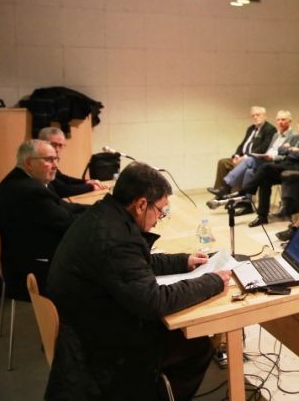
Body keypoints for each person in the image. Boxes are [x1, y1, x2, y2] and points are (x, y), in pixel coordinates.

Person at [45, 162, 231, 400]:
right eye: (161, 211)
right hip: (99, 346)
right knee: (195, 346)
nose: (160, 219)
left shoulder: (105, 215)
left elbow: (136, 263)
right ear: (142, 204)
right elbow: (155, 302)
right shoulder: (115, 239)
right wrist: (212, 282)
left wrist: (183, 261)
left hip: (84, 324)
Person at [0, 140, 85, 298]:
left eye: (56, 159)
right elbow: (67, 223)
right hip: (29, 269)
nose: (55, 165)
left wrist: (98, 208)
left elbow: (64, 207)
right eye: (49, 160)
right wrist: (101, 217)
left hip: (27, 256)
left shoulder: (32, 182)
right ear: (29, 162)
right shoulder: (28, 191)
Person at [210, 110, 296, 214]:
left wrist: (273, 158)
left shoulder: (294, 136)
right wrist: (239, 155)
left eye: (283, 119)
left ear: (290, 121)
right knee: (249, 171)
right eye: (278, 119)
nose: (280, 122)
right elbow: (264, 149)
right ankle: (246, 204)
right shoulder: (276, 135)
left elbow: (291, 155)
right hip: (265, 161)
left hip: (277, 164)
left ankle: (226, 187)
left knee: (250, 160)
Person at [239, 115, 299, 227]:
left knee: (266, 167)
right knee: (265, 180)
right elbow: (281, 150)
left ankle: (245, 191)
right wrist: (291, 150)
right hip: (287, 164)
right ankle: (262, 216)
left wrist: (290, 149)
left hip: (298, 169)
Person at [209, 106, 275, 192]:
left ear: (264, 116)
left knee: (245, 165)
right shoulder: (251, 128)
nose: (255, 117)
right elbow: (242, 144)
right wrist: (236, 156)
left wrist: (245, 157)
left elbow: (263, 148)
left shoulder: (270, 129)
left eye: (258, 115)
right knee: (222, 162)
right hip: (242, 157)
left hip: (255, 160)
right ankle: (219, 191)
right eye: (253, 116)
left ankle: (227, 190)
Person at [38, 126, 107, 197]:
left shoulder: (50, 160)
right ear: (41, 143)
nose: (57, 150)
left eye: (60, 145)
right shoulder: (39, 162)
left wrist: (86, 182)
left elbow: (63, 179)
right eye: (54, 144)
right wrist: (92, 187)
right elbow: (62, 190)